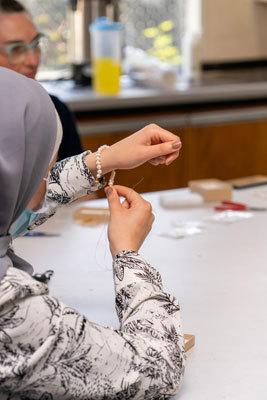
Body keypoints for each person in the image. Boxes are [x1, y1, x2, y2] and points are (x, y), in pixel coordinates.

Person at [0, 66, 185, 399]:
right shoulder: (11, 313)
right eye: (43, 171)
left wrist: (104, 160)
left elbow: (15, 198)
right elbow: (156, 369)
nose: (44, 180)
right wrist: (128, 255)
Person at [0, 0, 83, 161]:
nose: (33, 61)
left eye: (35, 44)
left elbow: (76, 183)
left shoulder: (56, 111)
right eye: (16, 49)